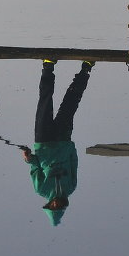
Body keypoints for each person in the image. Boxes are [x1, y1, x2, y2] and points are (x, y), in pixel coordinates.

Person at [21, 59, 93, 226]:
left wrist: (28, 157)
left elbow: (35, 168)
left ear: (48, 205)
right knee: (71, 103)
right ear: (62, 207)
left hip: (43, 142)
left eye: (52, 207)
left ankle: (48, 66)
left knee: (44, 101)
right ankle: (86, 69)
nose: (55, 205)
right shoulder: (71, 187)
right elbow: (74, 163)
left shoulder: (42, 190)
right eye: (57, 208)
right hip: (63, 141)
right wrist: (70, 146)